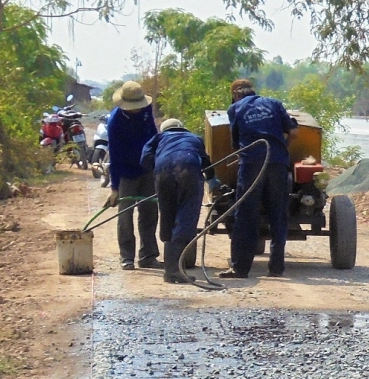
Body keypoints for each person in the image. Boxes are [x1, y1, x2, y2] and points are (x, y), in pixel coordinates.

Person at [220, 78, 296, 279]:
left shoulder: (235, 108)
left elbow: (236, 144)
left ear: (236, 94)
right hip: (277, 162)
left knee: (245, 214)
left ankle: (240, 268)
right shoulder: (274, 103)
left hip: (252, 163)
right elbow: (293, 131)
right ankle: (277, 268)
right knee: (278, 213)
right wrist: (282, 149)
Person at [140, 118, 216, 284]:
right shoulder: (194, 138)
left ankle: (171, 269)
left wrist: (161, 164)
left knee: (167, 217)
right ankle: (174, 270)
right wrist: (212, 180)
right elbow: (206, 162)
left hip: (162, 172)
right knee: (186, 217)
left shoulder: (158, 138)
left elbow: (144, 159)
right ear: (181, 128)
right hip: (188, 170)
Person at [102, 81, 161, 270]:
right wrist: (114, 188)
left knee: (150, 214)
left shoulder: (145, 112)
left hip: (148, 171)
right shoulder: (115, 122)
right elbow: (115, 157)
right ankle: (127, 256)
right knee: (125, 215)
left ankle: (148, 255)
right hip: (126, 173)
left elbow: (154, 137)